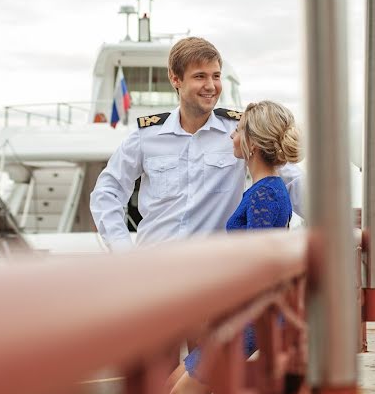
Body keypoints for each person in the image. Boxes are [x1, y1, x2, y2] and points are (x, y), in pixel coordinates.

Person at [90, 38, 305, 251]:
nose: (211, 86)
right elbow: (108, 191)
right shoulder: (146, 135)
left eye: (216, 76)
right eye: (200, 76)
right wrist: (123, 251)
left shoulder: (241, 132)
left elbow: (290, 181)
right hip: (154, 268)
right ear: (176, 79)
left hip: (212, 272)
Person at [166, 100, 303, 394]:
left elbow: (257, 273)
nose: (232, 136)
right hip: (246, 317)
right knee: (171, 386)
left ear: (252, 144)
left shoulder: (265, 194)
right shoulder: (262, 190)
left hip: (250, 321)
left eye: (238, 131)